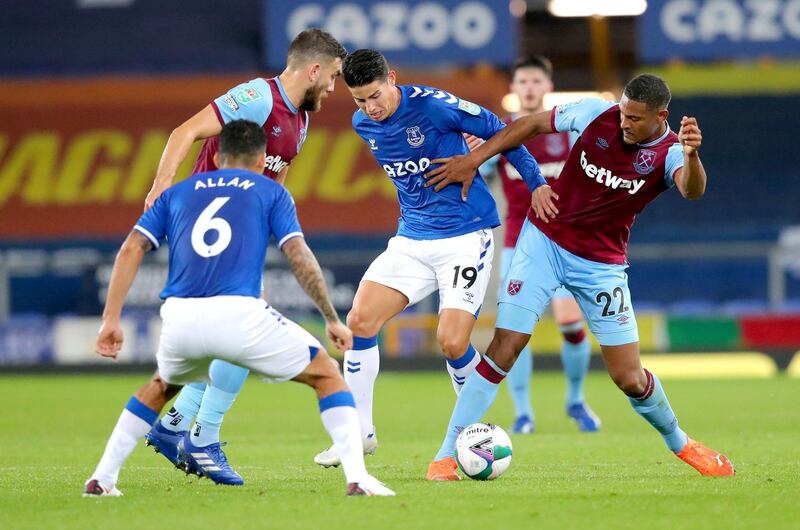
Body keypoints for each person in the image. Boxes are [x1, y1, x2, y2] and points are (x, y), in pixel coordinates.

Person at [424, 74, 735, 476]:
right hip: (543, 241)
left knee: (628, 377)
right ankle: (446, 454)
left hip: (601, 266)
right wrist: (475, 158)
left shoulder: (671, 153)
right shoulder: (594, 113)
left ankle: (682, 443)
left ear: (661, 116)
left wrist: (692, 156)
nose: (624, 123)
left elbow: (692, 191)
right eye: (623, 113)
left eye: (635, 119)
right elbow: (530, 124)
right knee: (505, 345)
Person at [83, 120, 394, 497]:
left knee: (159, 387)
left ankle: (103, 478)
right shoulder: (269, 191)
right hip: (238, 314)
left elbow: (131, 249)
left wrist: (110, 319)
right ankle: (358, 478)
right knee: (327, 374)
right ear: (263, 159)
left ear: (216, 154)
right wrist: (330, 317)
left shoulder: (177, 193)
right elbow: (298, 255)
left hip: (179, 316)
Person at [311, 49, 545, 481]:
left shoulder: (435, 106)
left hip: (465, 235)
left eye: (376, 95)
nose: (370, 107)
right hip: (412, 240)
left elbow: (504, 130)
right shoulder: (364, 125)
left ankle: (470, 431)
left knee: (453, 343)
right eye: (360, 100)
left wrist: (535, 184)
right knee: (359, 320)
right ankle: (360, 432)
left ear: (393, 78)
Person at [137, 28, 346, 485]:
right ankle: (198, 435)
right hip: (206, 230)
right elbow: (186, 131)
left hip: (239, 238)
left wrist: (270, 235)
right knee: (243, 328)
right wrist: (160, 187)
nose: (333, 88)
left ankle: (178, 426)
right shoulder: (256, 97)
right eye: (331, 77)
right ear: (313, 69)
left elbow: (275, 184)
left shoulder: (302, 122)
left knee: (234, 332)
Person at [480, 57, 600, 434]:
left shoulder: (567, 132)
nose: (529, 87)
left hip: (565, 243)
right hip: (518, 243)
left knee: (569, 322)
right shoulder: (502, 135)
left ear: (547, 87)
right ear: (513, 89)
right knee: (516, 328)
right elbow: (477, 173)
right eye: (522, 81)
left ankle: (576, 401)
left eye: (535, 81)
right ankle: (523, 413)